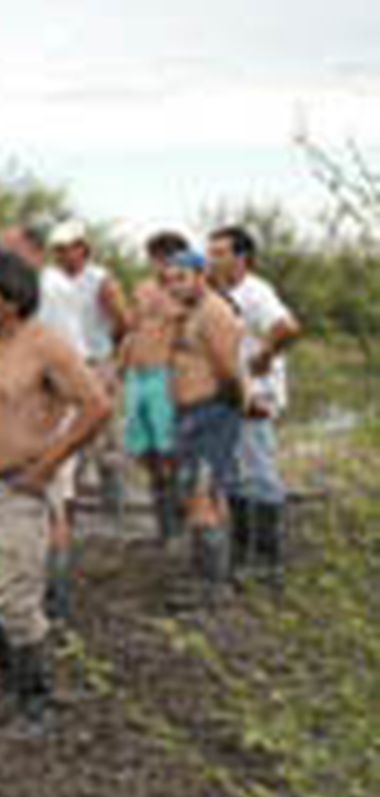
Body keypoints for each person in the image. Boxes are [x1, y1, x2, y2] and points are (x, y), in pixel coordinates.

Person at [0, 249, 109, 730]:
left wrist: (50, 464)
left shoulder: (47, 346)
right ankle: (7, 668)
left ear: (11, 300)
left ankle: (38, 702)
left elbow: (96, 405)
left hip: (19, 487)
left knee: (15, 598)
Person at [0, 220, 86, 623]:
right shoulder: (32, 289)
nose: (2, 259)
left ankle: (57, 601)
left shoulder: (50, 291)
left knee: (53, 501)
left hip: (52, 409)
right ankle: (33, 592)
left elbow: (64, 356)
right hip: (30, 408)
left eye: (9, 250)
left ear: (34, 250)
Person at [207, 225, 301, 587]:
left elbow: (288, 327)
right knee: (234, 472)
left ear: (241, 258)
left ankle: (267, 562)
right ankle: (243, 553)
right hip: (231, 393)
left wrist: (265, 354)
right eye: (211, 253)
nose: (213, 260)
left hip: (257, 394)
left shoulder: (256, 292)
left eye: (220, 253)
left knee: (258, 472)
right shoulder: (219, 292)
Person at [164, 249, 245, 607]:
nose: (174, 286)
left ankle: (213, 588)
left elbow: (228, 370)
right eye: (169, 280)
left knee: (203, 495)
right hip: (192, 413)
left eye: (181, 278)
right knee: (206, 494)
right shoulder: (192, 312)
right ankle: (209, 576)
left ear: (201, 275)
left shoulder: (214, 312)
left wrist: (227, 405)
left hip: (211, 412)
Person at [47, 220, 132, 518]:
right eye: (56, 250)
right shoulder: (52, 280)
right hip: (66, 362)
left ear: (82, 249)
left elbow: (124, 322)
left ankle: (114, 507)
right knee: (69, 431)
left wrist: (111, 361)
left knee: (106, 433)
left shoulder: (101, 280)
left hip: (97, 360)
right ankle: (71, 503)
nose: (60, 256)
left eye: (66, 249)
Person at [120, 231, 191, 545]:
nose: (159, 266)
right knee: (143, 450)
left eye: (166, 259)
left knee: (169, 450)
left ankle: (177, 525)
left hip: (166, 375)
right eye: (155, 259)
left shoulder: (189, 291)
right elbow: (132, 328)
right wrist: (118, 366)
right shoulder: (143, 288)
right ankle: (162, 521)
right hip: (137, 374)